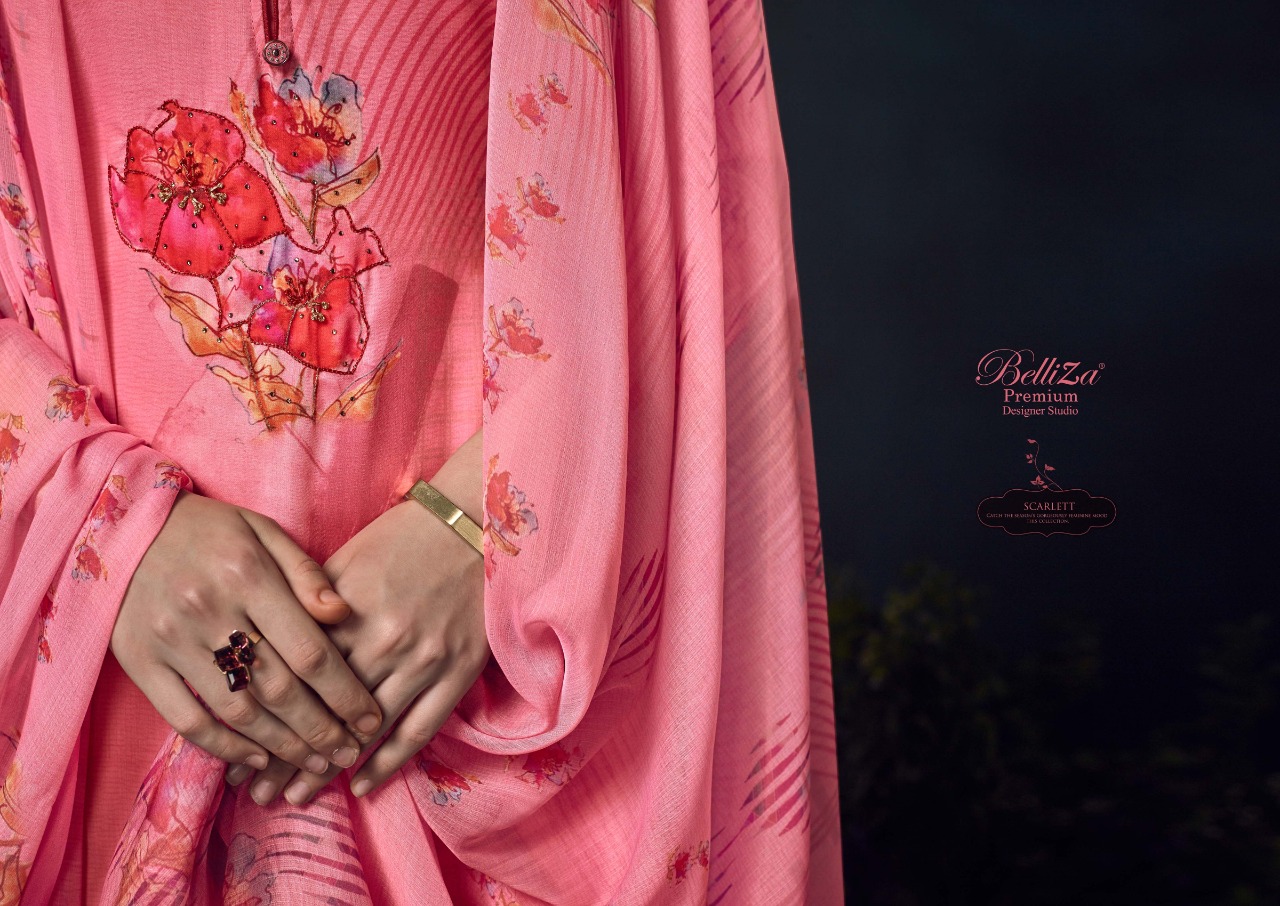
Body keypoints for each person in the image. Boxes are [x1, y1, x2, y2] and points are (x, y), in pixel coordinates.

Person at [0, 0, 843, 902]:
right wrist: (105, 525)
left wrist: (489, 518)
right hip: (116, 672)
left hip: (488, 679)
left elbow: (695, 201)